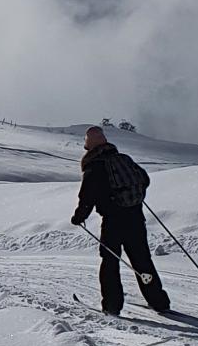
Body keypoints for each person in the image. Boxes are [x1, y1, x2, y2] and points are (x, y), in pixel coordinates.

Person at [72, 126, 169, 315]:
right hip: (135, 216)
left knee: (110, 261)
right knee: (142, 260)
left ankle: (112, 305)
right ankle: (159, 302)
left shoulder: (94, 166)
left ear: (89, 144)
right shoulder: (123, 159)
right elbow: (144, 179)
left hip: (113, 221)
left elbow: (87, 198)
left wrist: (79, 217)